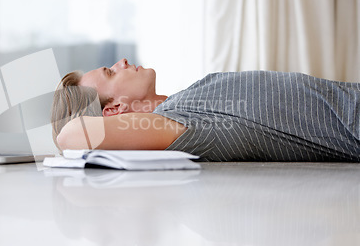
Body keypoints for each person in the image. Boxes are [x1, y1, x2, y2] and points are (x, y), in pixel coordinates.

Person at [51, 59, 360, 162]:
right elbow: (71, 135)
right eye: (110, 73)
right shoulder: (174, 123)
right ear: (114, 109)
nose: (121, 63)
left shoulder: (184, 101)